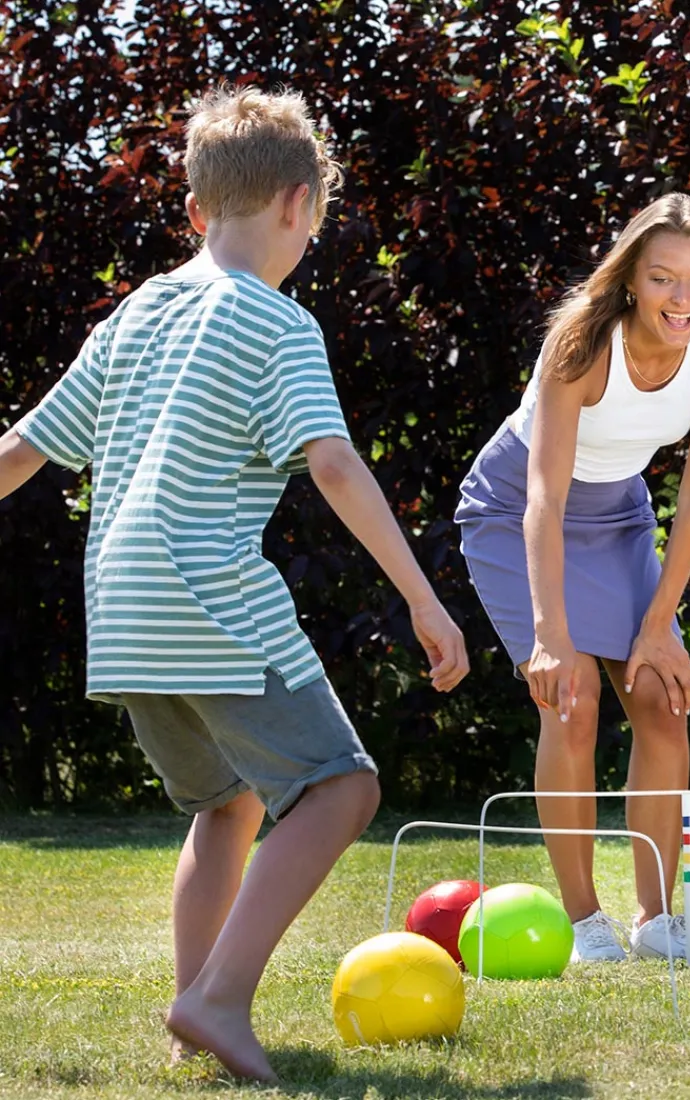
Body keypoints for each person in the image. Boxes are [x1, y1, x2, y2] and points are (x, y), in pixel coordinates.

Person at [0, 85, 469, 1081]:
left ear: (195, 210)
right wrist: (424, 599)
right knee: (341, 786)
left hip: (123, 608)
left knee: (225, 804)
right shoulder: (277, 324)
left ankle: (193, 1017)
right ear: (301, 204)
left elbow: (22, 449)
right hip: (207, 595)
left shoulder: (136, 314)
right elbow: (334, 463)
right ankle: (217, 994)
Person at [455, 193, 690, 962]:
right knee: (573, 698)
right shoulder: (582, 344)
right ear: (631, 279)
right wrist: (551, 638)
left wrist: (660, 624)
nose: (682, 299)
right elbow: (544, 498)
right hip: (514, 508)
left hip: (620, 513)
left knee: (662, 698)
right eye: (663, 278)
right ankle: (586, 922)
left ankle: (657, 923)